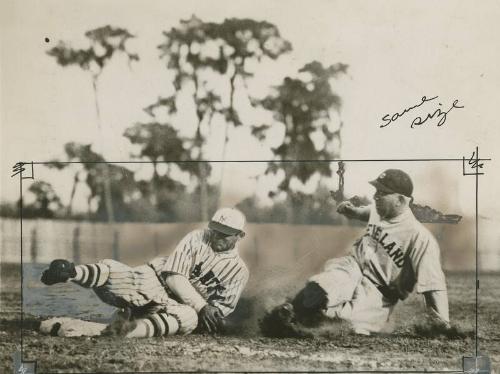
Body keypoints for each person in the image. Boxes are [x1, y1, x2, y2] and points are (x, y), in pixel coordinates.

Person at [261, 169, 450, 336]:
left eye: (382, 192)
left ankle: (303, 321)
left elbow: (434, 285)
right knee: (325, 285)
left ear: (400, 200)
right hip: (352, 266)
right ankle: (288, 311)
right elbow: (364, 212)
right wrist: (351, 211)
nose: (375, 196)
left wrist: (442, 324)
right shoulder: (379, 210)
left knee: (341, 322)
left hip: (378, 294)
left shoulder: (419, 237)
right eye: (376, 190)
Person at [40, 207, 249, 338]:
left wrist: (215, 320)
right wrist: (203, 306)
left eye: (225, 234)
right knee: (116, 271)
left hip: (177, 307)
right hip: (155, 280)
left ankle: (118, 330)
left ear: (240, 235)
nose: (217, 236)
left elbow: (220, 311)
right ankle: (71, 272)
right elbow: (174, 277)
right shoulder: (198, 237)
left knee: (189, 319)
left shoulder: (238, 271)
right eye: (215, 229)